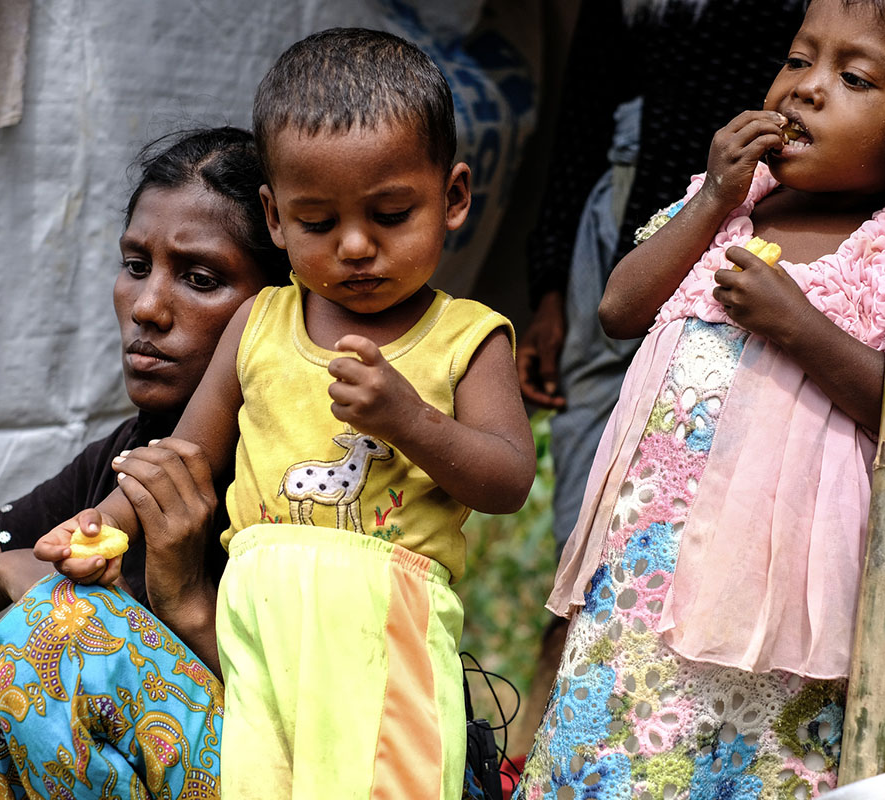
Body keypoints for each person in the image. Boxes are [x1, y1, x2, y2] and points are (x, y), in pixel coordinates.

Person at [514, 1, 885, 797]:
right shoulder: (728, 205)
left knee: (748, 767)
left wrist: (797, 324)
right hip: (645, 574)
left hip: (779, 602)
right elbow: (618, 310)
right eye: (796, 60)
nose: (806, 89)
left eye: (852, 77)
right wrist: (714, 196)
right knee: (615, 753)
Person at [36, 29, 537, 800]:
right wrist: (101, 523)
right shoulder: (261, 323)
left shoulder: (467, 338)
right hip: (253, 622)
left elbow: (507, 478)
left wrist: (409, 420)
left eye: (392, 214)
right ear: (274, 219)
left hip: (385, 626)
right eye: (318, 223)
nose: (357, 246)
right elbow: (189, 452)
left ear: (454, 199)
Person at [0, 126, 290, 799]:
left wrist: (181, 594)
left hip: (275, 773)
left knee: (66, 624)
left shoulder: (304, 474)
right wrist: (17, 568)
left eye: (201, 279)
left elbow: (313, 725)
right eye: (135, 265)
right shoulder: (124, 460)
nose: (149, 307)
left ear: (275, 307)